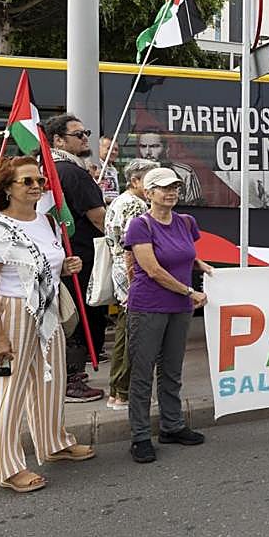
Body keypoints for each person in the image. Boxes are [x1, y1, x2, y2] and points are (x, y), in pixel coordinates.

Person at [0, 156, 95, 491]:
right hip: (12, 312)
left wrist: (66, 267)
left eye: (40, 181)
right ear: (7, 187)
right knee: (9, 392)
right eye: (28, 181)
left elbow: (45, 265)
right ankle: (6, 468)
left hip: (47, 308)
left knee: (51, 382)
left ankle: (53, 443)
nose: (37, 186)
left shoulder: (46, 222)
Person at [123, 167, 212, 464]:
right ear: (148, 193)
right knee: (142, 372)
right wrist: (189, 291)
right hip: (149, 307)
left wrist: (200, 264)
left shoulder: (186, 222)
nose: (171, 192)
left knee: (172, 370)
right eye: (164, 188)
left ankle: (172, 426)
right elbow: (153, 269)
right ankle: (140, 436)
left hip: (179, 308)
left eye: (175, 187)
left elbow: (183, 254)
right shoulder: (140, 225)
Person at [43, 114, 107, 402]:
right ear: (58, 140)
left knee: (68, 316)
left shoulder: (50, 168)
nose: (85, 138)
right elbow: (99, 218)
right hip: (80, 258)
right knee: (81, 318)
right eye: (78, 134)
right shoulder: (72, 172)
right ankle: (72, 378)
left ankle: (67, 375)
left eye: (86, 133)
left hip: (61, 256)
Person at [102, 158, 157, 411]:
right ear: (135, 181)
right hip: (132, 271)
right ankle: (125, 392)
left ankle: (118, 391)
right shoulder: (136, 205)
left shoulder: (119, 201)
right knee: (133, 334)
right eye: (151, 180)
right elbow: (132, 247)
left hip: (121, 271)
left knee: (125, 332)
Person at [135, 131, 204, 205]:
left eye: (154, 146)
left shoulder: (185, 173)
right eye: (143, 146)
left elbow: (195, 205)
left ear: (166, 148)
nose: (148, 152)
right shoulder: (133, 173)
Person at [98, 136, 121, 204]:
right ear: (99, 148)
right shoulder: (96, 167)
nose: (113, 152)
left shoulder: (113, 170)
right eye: (109, 148)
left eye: (116, 149)